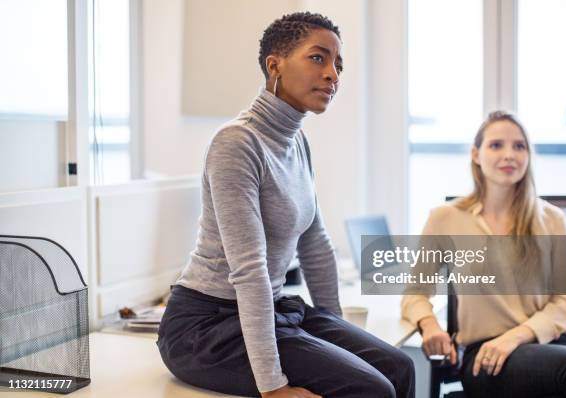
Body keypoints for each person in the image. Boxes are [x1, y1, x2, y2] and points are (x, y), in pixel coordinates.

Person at [157, 12, 415, 398]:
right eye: (318, 58)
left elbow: (316, 247)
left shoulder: (297, 144)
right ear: (274, 65)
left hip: (272, 311)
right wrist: (273, 387)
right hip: (206, 327)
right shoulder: (236, 143)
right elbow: (249, 269)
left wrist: (339, 333)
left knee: (399, 365)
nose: (333, 74)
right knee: (373, 389)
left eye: (338, 65)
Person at [401, 111, 566, 397]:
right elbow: (414, 293)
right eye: (496, 145)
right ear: (476, 154)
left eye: (519, 146)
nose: (509, 154)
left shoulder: (551, 219)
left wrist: (515, 337)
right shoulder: (445, 218)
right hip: (485, 356)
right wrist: (430, 327)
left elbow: (565, 305)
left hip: (550, 346)